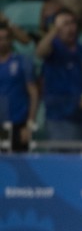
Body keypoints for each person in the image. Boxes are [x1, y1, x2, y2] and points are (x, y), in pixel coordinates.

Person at [35, 9, 82, 141]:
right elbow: (40, 51)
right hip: (59, 117)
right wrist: (54, 30)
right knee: (61, 159)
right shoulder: (54, 48)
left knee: (79, 160)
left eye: (72, 23)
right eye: (65, 24)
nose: (70, 27)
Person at [0, 24, 38, 152]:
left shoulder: (22, 61)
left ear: (11, 40)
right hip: (0, 125)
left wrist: (29, 125)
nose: (2, 42)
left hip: (18, 124)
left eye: (5, 38)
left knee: (20, 163)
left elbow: (33, 93)